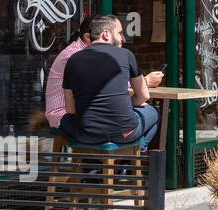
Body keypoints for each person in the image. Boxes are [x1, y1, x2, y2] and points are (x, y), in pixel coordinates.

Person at [59, 15, 159, 152]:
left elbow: (70, 110)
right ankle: (133, 155)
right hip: (124, 133)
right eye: (119, 33)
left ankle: (92, 164)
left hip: (87, 135)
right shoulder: (126, 55)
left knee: (65, 120)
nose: (123, 38)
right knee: (153, 112)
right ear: (106, 34)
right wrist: (123, 105)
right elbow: (144, 96)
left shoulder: (73, 60)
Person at [44, 15, 92, 129]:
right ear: (88, 37)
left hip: (76, 111)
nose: (122, 39)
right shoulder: (76, 55)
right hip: (63, 114)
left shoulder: (87, 53)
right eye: (118, 34)